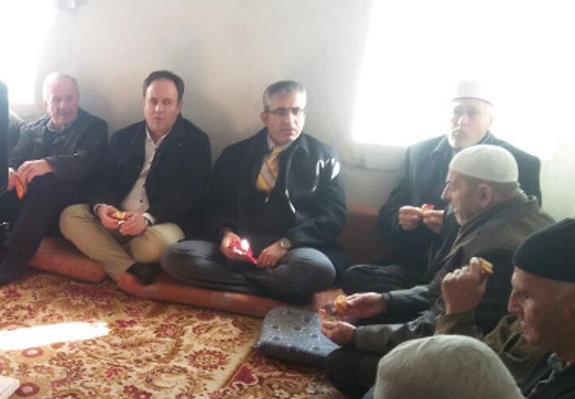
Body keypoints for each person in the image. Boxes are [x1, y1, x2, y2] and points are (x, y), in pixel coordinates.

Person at [257, 219, 575, 399]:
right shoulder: (555, 350)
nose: (512, 306)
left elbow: (463, 377)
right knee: (399, 381)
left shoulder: (498, 249)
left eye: (526, 295)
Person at [321, 145, 553, 399]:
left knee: (341, 363)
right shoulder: (526, 217)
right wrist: (383, 301)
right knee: (366, 317)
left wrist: (358, 337)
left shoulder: (495, 250)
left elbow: (442, 327)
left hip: (467, 361)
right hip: (453, 332)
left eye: (452, 186)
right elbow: (440, 290)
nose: (445, 195)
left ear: (484, 194)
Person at [343, 81, 542, 295]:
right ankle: (417, 302)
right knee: (354, 277)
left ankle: (419, 303)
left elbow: (516, 230)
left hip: (468, 268)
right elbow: (388, 213)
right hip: (416, 264)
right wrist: (400, 220)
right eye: (457, 112)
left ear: (490, 120)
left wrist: (450, 226)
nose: (462, 121)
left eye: (472, 113)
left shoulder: (519, 163)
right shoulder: (418, 153)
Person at [161, 80, 345, 303]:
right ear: (265, 117)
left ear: (304, 113)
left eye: (296, 111)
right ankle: (270, 286)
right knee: (174, 257)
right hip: (239, 242)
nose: (290, 120)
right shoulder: (235, 154)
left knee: (319, 269)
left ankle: (241, 283)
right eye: (280, 112)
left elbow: (334, 216)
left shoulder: (324, 157)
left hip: (292, 250)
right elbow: (212, 204)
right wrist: (225, 234)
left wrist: (286, 243)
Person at [59, 70, 211, 285]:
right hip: (119, 219)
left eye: (167, 102)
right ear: (144, 103)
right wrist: (102, 208)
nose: (158, 109)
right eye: (153, 101)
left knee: (151, 248)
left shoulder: (196, 142)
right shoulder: (123, 137)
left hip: (159, 225)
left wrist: (147, 218)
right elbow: (103, 180)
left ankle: (107, 253)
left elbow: (188, 193)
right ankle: (130, 267)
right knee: (70, 216)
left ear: (179, 106)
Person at [0, 72, 108, 284]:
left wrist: (48, 164)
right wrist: (9, 172)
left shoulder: (95, 127)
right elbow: (14, 159)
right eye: (56, 99)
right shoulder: (31, 130)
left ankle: (16, 258)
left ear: (78, 99)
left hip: (71, 203)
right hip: (32, 205)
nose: (63, 105)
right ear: (46, 102)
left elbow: (86, 163)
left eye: (69, 98)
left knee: (45, 181)